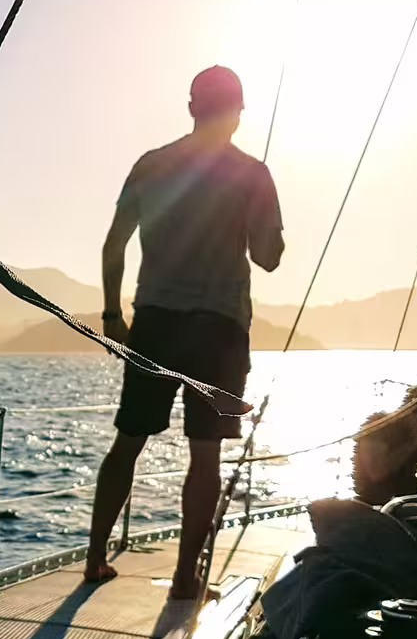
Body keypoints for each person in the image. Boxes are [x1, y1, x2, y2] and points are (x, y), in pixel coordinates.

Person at [84, 65, 283, 599]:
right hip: (219, 330)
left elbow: (114, 244)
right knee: (205, 454)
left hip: (155, 324)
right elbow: (268, 259)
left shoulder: (152, 165)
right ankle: (184, 577)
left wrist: (111, 316)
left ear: (193, 107)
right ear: (238, 113)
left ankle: (95, 558)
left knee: (128, 441)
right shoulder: (253, 174)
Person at [351, 384, 417, 506]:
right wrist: (412, 442)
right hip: (379, 502)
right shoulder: (379, 427)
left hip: (408, 497)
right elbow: (377, 474)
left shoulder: (409, 434)